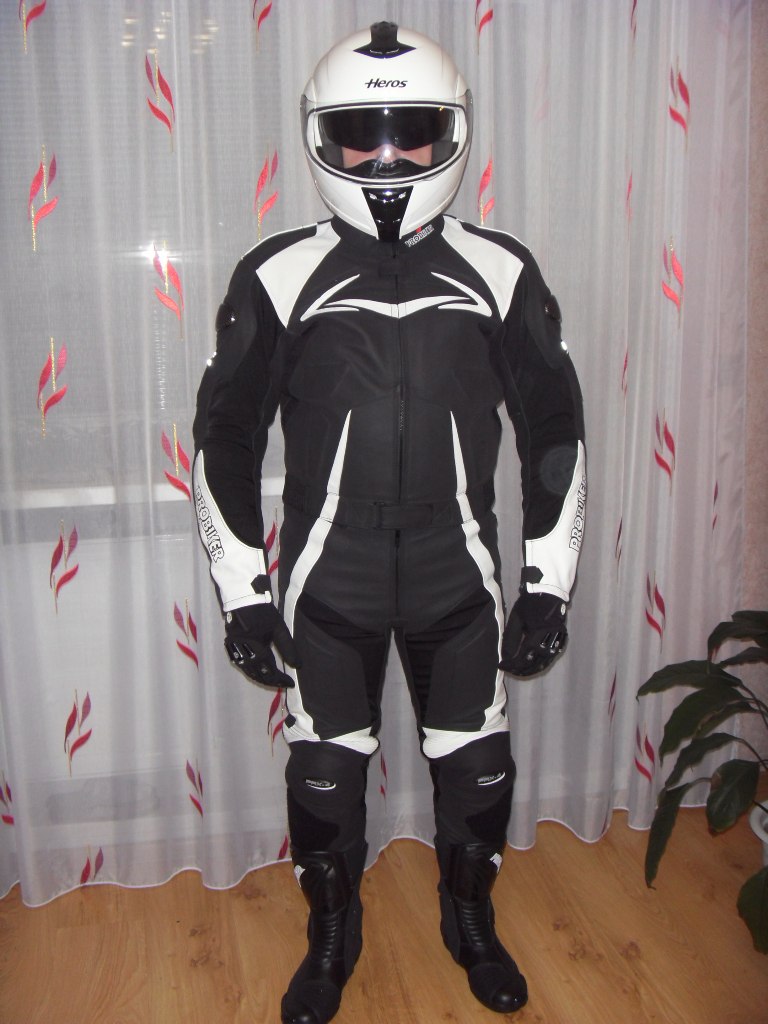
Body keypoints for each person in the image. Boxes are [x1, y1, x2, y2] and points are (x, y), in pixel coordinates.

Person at [193, 21, 586, 1024]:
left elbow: (556, 430)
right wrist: (243, 594)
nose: (388, 160)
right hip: (332, 578)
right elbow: (223, 437)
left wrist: (547, 584)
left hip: (460, 573)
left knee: (477, 768)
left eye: (413, 134)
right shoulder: (276, 273)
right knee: (325, 774)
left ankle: (470, 919)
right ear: (319, 138)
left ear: (453, 133)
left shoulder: (502, 269)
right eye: (361, 136)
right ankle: (333, 935)